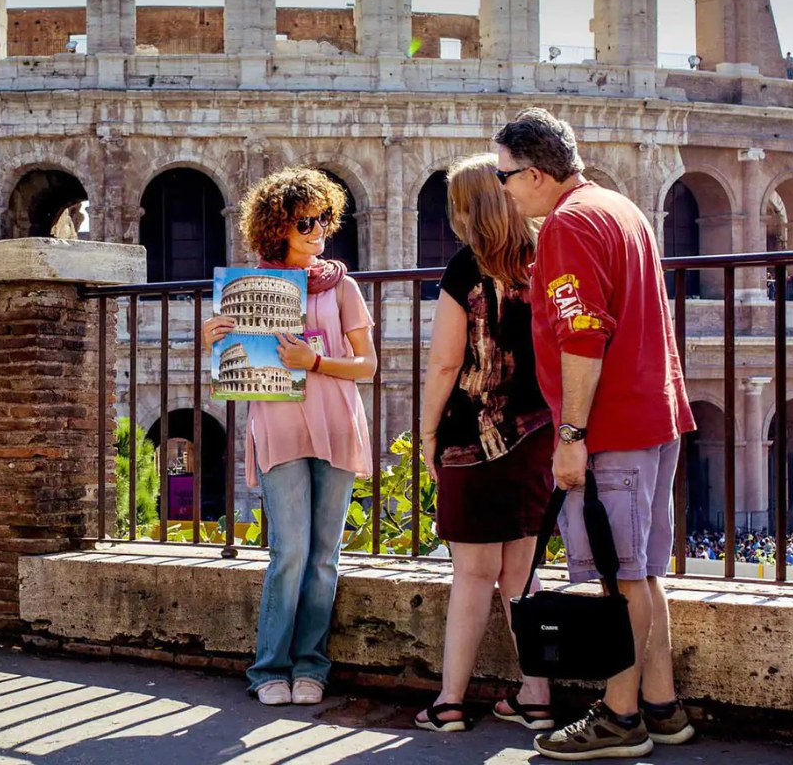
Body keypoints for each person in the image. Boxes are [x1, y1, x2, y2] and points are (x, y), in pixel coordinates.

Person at [494, 108, 699, 760]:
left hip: (612, 425)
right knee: (641, 573)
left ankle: (619, 718)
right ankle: (662, 707)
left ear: (533, 173)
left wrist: (572, 434)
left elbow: (582, 333)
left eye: (504, 177)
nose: (502, 189)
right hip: (655, 416)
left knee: (621, 578)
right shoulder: (620, 207)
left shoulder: (567, 224)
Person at [200, 167, 377, 708]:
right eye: (306, 221)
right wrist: (212, 341)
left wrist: (315, 360)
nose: (319, 229)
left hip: (336, 427)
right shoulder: (249, 290)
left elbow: (367, 366)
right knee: (289, 552)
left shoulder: (342, 285)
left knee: (325, 556)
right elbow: (231, 372)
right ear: (279, 228)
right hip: (278, 427)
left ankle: (311, 665)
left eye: (325, 218)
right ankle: (268, 667)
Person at [412, 153, 556, 734]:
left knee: (472, 574)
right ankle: (538, 695)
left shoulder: (465, 269)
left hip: (470, 440)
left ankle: (449, 702)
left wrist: (425, 431)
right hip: (535, 435)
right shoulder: (543, 261)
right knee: (522, 573)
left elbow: (446, 362)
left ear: (468, 209)